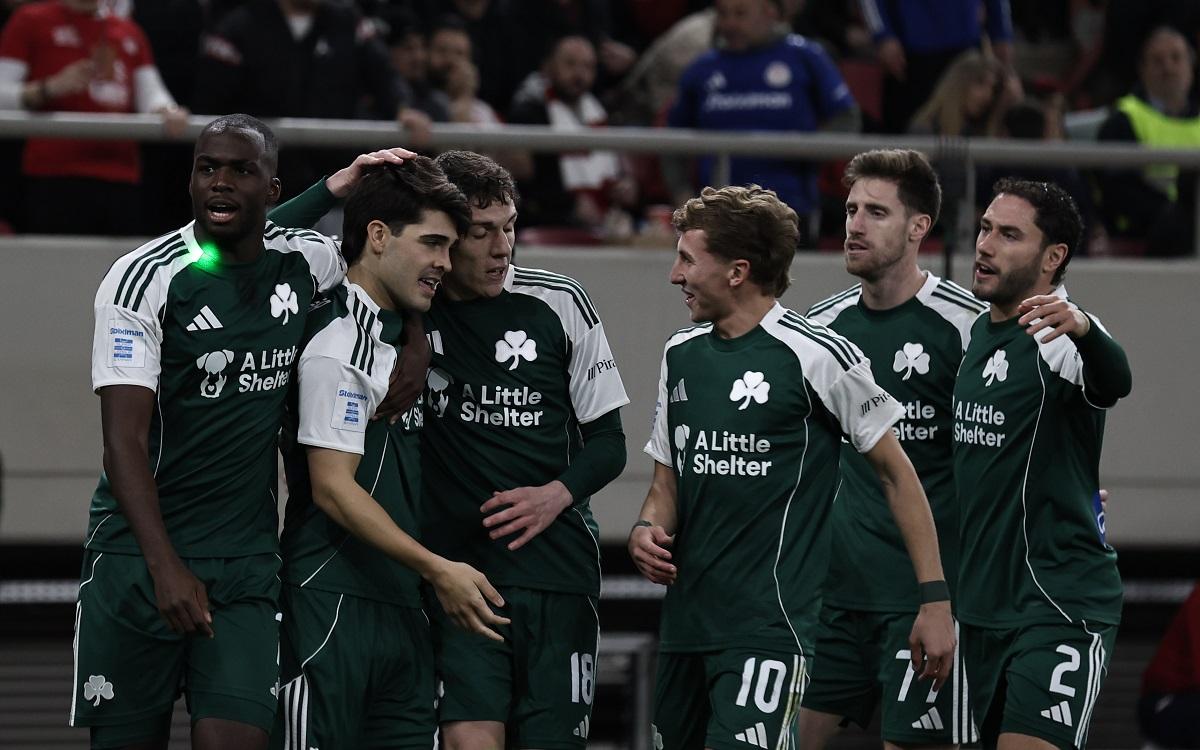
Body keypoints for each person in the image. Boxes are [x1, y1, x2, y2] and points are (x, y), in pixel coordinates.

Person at [72, 112, 413, 750]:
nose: (220, 183)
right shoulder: (142, 279)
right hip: (137, 559)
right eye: (207, 169)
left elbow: (389, 279)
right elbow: (123, 443)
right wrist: (164, 568)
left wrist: (416, 339)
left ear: (272, 190)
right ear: (190, 180)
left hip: (246, 565)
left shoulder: (308, 260)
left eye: (240, 171)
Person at [629, 183, 956, 750]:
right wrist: (645, 527)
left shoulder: (819, 355)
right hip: (685, 626)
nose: (675, 275)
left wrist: (934, 598)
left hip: (769, 628)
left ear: (737, 271)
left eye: (687, 259)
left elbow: (897, 474)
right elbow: (666, 481)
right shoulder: (680, 352)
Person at [271, 158, 509, 750]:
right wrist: (439, 568)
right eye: (432, 243)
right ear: (377, 236)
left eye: (449, 246)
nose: (445, 263)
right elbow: (333, 488)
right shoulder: (336, 341)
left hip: (401, 605)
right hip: (331, 601)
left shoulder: (398, 327)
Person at [423, 150, 630, 748]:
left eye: (510, 227)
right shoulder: (412, 307)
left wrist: (554, 496)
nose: (503, 248)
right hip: (464, 576)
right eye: (482, 232)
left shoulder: (559, 301)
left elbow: (610, 444)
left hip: (557, 570)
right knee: (468, 740)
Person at [799, 149, 985, 747]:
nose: (854, 225)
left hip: (927, 600)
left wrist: (940, 600)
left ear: (918, 227)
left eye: (876, 212)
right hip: (831, 601)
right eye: (851, 209)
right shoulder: (820, 329)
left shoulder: (970, 328)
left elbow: (1002, 458)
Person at [955, 178, 1132, 747]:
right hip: (983, 607)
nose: (985, 244)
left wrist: (1084, 329)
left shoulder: (1061, 336)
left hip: (1056, 603)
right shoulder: (976, 333)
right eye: (985, 228)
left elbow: (1114, 379)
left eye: (1009, 235)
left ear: (1053, 257)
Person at [193, 0, 431, 201]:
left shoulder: (348, 21)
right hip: (262, 185)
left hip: (336, 180)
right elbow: (212, 100)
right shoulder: (239, 27)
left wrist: (403, 106)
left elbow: (384, 74)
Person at [665, 0, 859, 246]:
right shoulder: (701, 69)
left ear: (770, 13)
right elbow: (672, 139)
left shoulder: (805, 56)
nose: (729, 24)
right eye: (723, 14)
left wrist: (809, 154)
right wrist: (680, 191)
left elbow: (846, 117)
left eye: (740, 14)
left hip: (791, 210)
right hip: (719, 214)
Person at [0, 0, 187, 235]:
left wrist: (168, 110)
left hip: (121, 176)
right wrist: (47, 89)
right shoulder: (31, 20)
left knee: (122, 257)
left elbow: (152, 95)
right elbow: (2, 93)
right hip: (55, 174)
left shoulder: (128, 30)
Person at [507, 35, 636, 233]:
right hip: (549, 223)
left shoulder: (602, 112)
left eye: (587, 66)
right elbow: (530, 185)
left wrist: (625, 186)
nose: (579, 74)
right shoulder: (528, 113)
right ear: (547, 67)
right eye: (570, 64)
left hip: (605, 219)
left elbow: (619, 170)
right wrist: (570, 204)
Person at [1096, 26, 1200, 256]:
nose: (1168, 68)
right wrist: (1173, 211)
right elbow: (1120, 190)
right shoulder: (1123, 120)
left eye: (1176, 58)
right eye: (1157, 60)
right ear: (1142, 69)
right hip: (1147, 233)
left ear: (1191, 65)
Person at [859, 0, 1013, 134]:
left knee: (975, 128)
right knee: (910, 137)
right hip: (911, 50)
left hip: (966, 46)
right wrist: (882, 35)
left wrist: (1001, 32)